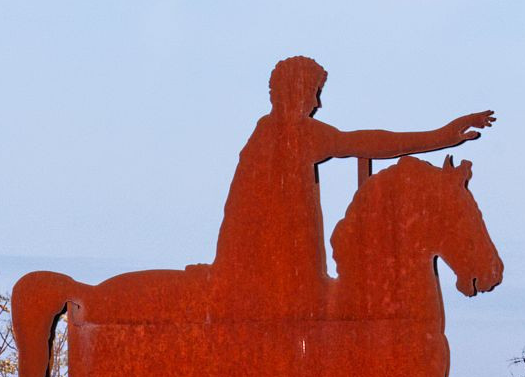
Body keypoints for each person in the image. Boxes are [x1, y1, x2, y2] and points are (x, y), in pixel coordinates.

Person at [212, 55, 494, 318]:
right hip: (278, 270)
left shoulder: (291, 134)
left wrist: (442, 136)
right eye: (314, 92)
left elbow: (365, 141)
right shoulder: (285, 135)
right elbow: (364, 143)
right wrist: (441, 136)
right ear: (293, 92)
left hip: (288, 266)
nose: (317, 104)